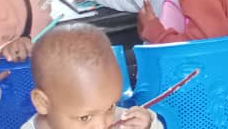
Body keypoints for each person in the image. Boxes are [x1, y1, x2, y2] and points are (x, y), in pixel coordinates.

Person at [23, 24, 161, 129]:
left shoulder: (108, 114)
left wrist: (148, 125)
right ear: (43, 103)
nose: (102, 125)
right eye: (85, 118)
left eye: (110, 107)